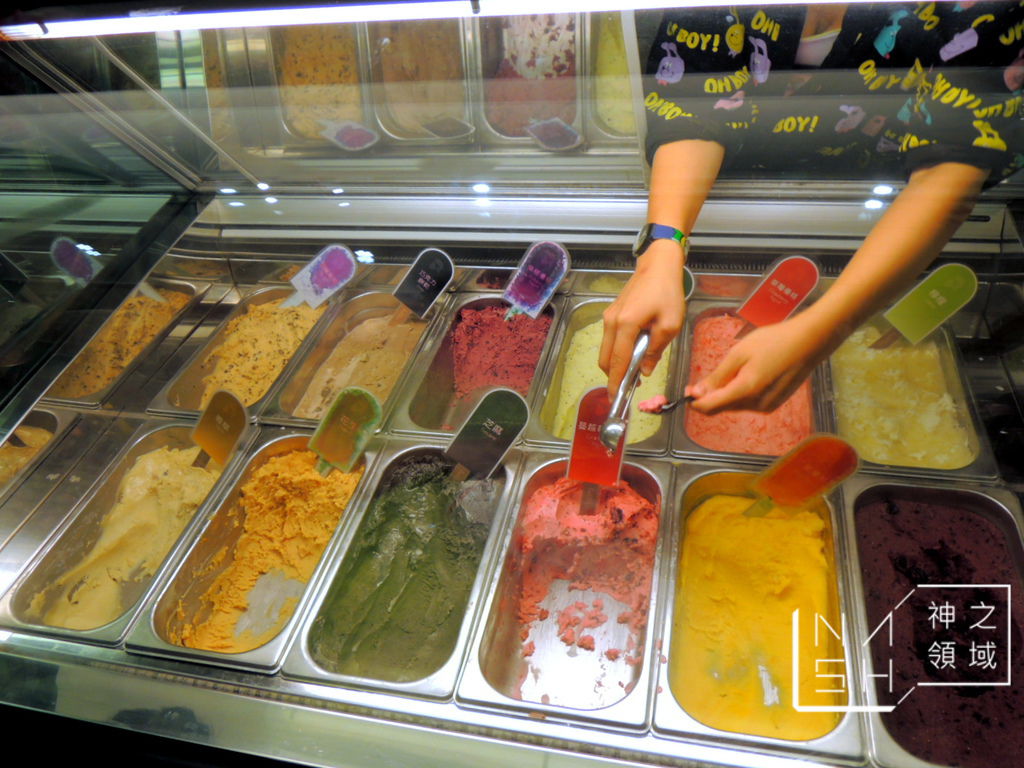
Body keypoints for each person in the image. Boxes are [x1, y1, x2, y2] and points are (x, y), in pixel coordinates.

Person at [600, 2, 1024, 414]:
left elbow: (953, 160)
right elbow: (693, 104)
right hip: (725, 189)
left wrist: (824, 328)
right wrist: (663, 246)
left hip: (886, 211)